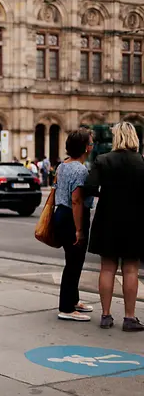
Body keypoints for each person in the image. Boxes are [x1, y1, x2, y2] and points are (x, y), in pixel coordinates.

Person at [84, 122, 144, 332]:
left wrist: (107, 194)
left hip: (108, 218)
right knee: (131, 269)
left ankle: (106, 315)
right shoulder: (141, 162)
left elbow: (90, 187)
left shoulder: (103, 160)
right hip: (135, 220)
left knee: (107, 268)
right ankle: (129, 318)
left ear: (116, 138)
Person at [52, 129, 95, 322]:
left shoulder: (63, 165)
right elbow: (76, 200)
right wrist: (79, 229)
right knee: (73, 263)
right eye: (91, 143)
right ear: (86, 147)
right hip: (72, 216)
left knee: (73, 260)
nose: (92, 146)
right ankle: (66, 308)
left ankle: (73, 300)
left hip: (60, 214)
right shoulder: (80, 170)